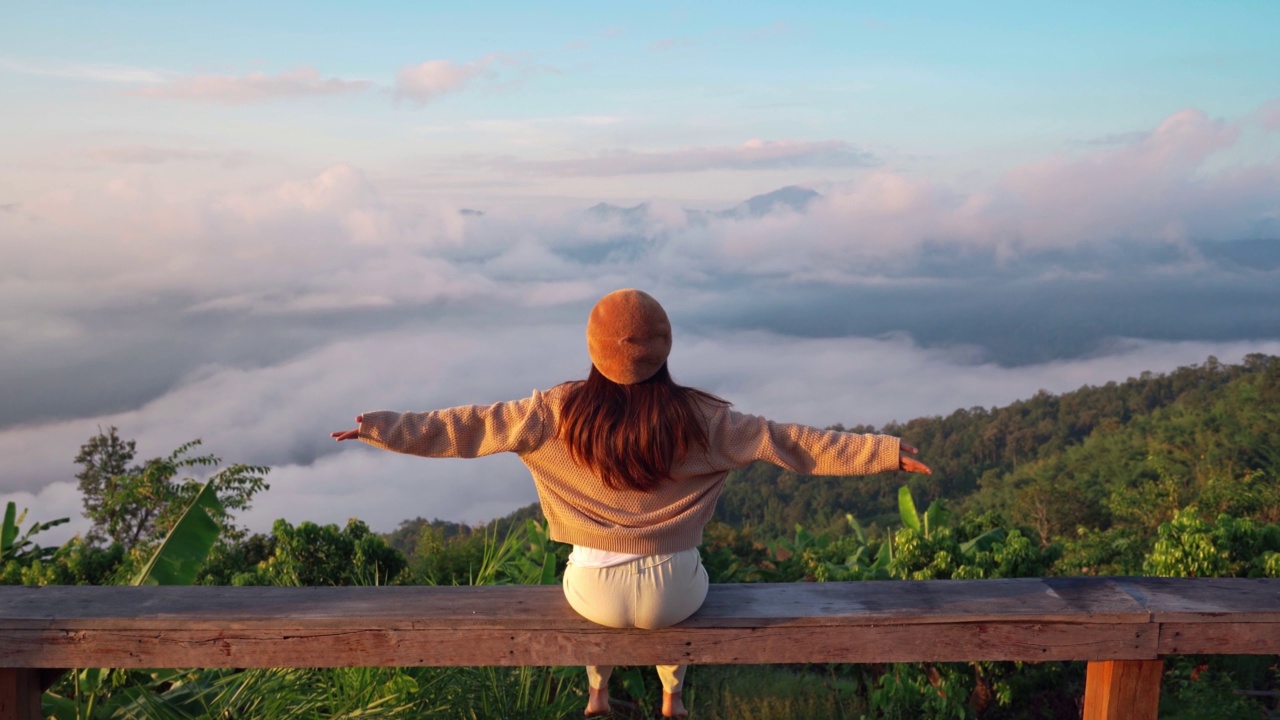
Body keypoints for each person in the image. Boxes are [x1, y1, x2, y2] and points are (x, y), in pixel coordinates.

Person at [331, 288, 931, 718]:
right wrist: (883, 451)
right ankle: (672, 699)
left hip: (593, 592)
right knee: (689, 574)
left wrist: (381, 426)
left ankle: (598, 697)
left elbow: (463, 428)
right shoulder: (703, 418)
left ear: (594, 349)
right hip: (674, 593)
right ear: (663, 348)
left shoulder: (555, 411)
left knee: (587, 579)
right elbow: (791, 442)